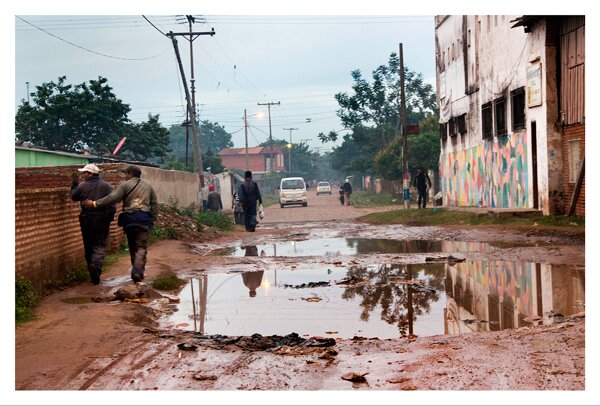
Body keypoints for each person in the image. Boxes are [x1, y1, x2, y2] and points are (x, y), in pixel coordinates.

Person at [83, 165, 158, 283]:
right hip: (144, 219)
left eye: (126, 174)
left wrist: (95, 203)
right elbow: (154, 203)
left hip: (130, 219)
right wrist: (153, 217)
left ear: (130, 174)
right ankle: (138, 271)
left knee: (132, 245)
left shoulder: (125, 185)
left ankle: (137, 271)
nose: (125, 176)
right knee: (141, 246)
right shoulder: (148, 186)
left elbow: (112, 198)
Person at [70, 163, 116, 285]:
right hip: (101, 219)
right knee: (100, 244)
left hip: (86, 218)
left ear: (91, 173)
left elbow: (74, 197)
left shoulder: (82, 185)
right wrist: (109, 218)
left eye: (85, 173)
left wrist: (74, 185)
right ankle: (96, 266)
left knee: (88, 244)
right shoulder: (106, 186)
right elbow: (112, 204)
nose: (83, 175)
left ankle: (92, 269)